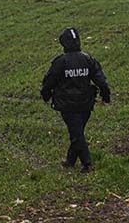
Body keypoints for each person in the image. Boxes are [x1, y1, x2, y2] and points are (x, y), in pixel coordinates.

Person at [40, 27, 111, 172]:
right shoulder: (88, 59)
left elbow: (49, 82)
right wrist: (106, 96)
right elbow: (101, 81)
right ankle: (70, 160)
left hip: (67, 105)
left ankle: (87, 163)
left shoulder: (60, 62)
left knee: (76, 133)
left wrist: (45, 95)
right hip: (86, 104)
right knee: (77, 131)